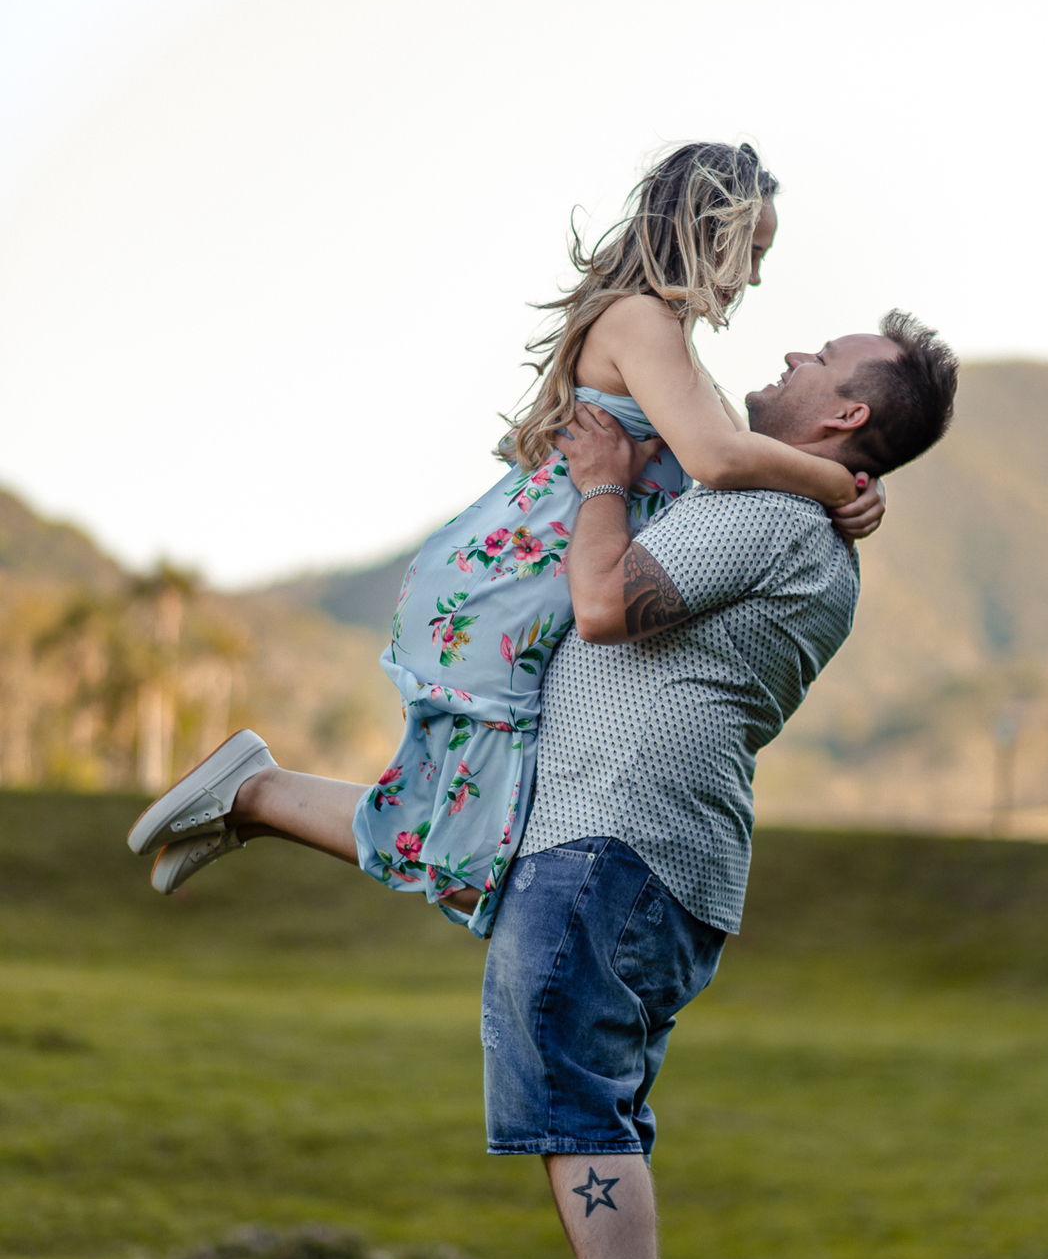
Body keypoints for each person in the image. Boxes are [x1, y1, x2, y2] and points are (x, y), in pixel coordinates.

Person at [124, 311, 957, 1259]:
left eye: (823, 358)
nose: (795, 351)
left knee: (575, 1100)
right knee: (585, 1093)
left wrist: (608, 477)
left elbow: (605, 605)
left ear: (846, 413)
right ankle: (258, 795)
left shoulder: (769, 513)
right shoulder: (799, 515)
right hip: (638, 843)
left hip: (616, 838)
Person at [129, 142, 884, 927]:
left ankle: (253, 801)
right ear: (708, 230)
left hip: (516, 598)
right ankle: (257, 794)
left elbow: (758, 458)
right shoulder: (640, 321)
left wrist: (866, 480)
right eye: (752, 252)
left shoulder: (681, 358)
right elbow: (719, 458)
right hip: (501, 598)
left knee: (461, 846)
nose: (754, 279)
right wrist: (842, 485)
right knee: (465, 866)